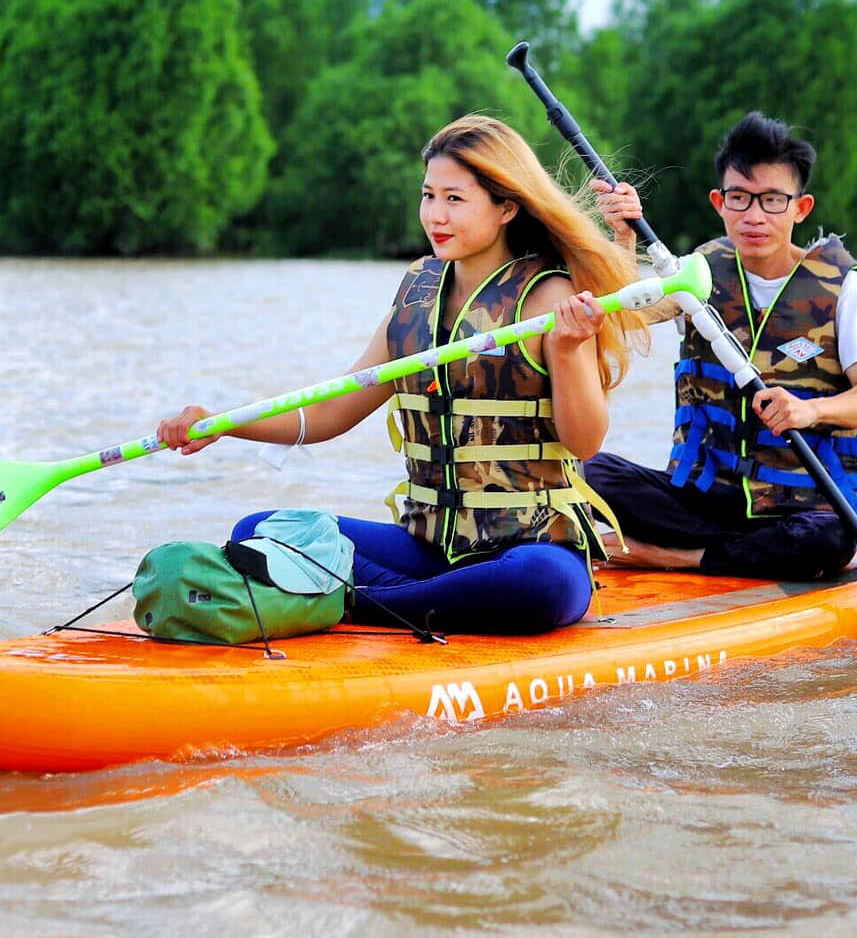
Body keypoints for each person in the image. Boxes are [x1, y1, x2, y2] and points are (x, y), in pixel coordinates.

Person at [155, 115, 648, 635]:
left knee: (541, 585)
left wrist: (570, 351)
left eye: (455, 199)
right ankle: (410, 601)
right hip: (426, 549)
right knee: (260, 530)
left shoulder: (551, 297)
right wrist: (220, 423)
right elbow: (329, 411)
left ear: (506, 206)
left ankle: (359, 604)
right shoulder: (418, 291)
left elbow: (586, 440)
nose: (435, 214)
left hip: (531, 549)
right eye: (428, 195)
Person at [583, 111, 857, 581]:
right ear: (719, 202)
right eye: (740, 198)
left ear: (801, 207)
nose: (754, 216)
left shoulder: (845, 286)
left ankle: (672, 556)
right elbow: (625, 314)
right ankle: (723, 548)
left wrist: (807, 412)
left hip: (807, 508)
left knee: (828, 541)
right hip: (709, 500)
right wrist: (624, 238)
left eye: (773, 200)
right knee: (586, 470)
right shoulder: (696, 272)